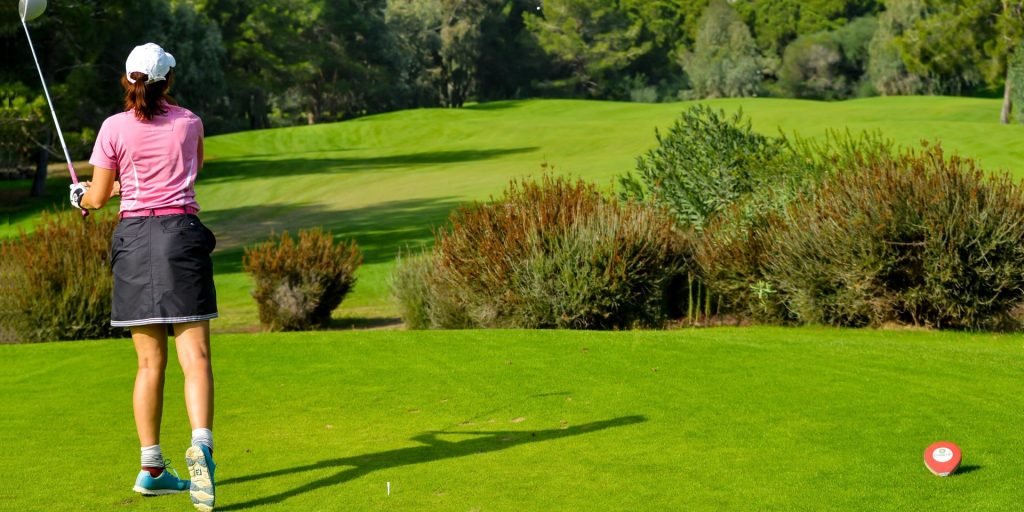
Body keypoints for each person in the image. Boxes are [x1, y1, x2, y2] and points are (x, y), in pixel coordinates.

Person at [71, 42, 218, 512]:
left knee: (149, 364)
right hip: (180, 235)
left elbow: (97, 197)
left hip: (134, 241)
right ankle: (202, 452)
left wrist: (82, 197)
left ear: (127, 80)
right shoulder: (189, 122)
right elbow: (193, 168)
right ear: (166, 81)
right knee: (194, 356)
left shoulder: (113, 127)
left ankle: (152, 467)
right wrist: (116, 185)